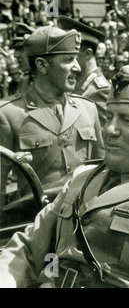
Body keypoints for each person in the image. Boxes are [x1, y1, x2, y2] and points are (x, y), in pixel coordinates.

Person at [0, 64, 129, 288]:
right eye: (108, 117)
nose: (110, 129)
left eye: (127, 120)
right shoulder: (83, 178)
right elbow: (27, 247)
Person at [0, 26, 104, 218]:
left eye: (76, 58)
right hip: (35, 228)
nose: (77, 67)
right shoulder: (8, 114)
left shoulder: (88, 109)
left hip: (84, 225)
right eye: (68, 60)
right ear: (42, 65)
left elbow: (104, 172)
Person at [58, 16, 111, 128]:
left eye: (72, 55)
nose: (67, 59)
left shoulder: (100, 91)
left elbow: (105, 138)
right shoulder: (77, 82)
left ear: (88, 54)